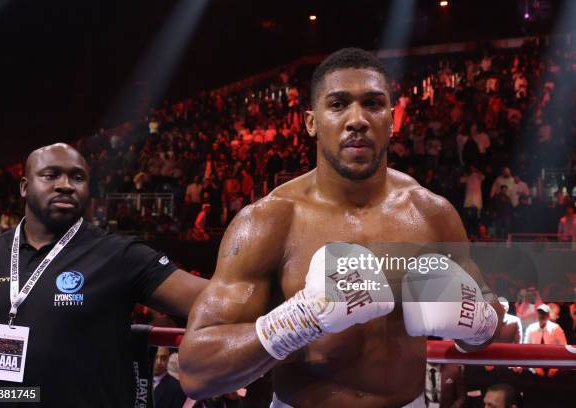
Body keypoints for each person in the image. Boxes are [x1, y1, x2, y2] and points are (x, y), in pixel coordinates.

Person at [179, 48, 502, 408]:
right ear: (311, 122)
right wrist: (301, 317)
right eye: (338, 104)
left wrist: (479, 321)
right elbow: (197, 370)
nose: (357, 119)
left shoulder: (432, 214)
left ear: (392, 120)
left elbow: (489, 318)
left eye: (373, 104)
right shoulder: (268, 222)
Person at [0, 143, 207, 407]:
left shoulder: (120, 255)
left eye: (77, 177)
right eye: (51, 175)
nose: (65, 185)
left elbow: (216, 300)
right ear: (24, 187)